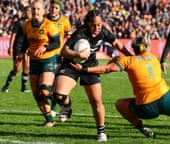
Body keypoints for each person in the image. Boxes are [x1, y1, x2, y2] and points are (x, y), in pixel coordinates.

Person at [70, 35, 170, 142]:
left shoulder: (128, 61)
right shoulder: (152, 56)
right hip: (166, 99)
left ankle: (142, 128)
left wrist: (83, 70)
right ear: (146, 46)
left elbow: (106, 69)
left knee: (119, 104)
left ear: (133, 48)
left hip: (146, 107)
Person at [52, 9, 132, 141]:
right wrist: (78, 54)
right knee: (58, 95)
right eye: (93, 25)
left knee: (96, 101)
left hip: (90, 67)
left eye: (99, 25)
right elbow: (64, 51)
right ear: (87, 24)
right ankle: (67, 106)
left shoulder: (104, 31)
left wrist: (131, 57)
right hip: (71, 66)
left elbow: (117, 44)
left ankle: (101, 131)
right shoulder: (80, 33)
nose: (97, 28)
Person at [18, 0, 60, 127]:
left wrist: (45, 48)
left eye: (38, 9)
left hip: (48, 60)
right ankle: (50, 120)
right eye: (33, 9)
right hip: (34, 61)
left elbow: (57, 43)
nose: (35, 11)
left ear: (43, 11)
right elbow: (26, 41)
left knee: (44, 91)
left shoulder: (49, 25)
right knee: (36, 94)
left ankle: (61, 98)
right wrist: (21, 52)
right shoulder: (26, 24)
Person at [47, 0, 72, 117]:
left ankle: (53, 108)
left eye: (56, 8)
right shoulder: (44, 20)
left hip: (58, 56)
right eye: (52, 7)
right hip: (45, 55)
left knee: (54, 83)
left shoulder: (65, 21)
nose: (53, 10)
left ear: (59, 9)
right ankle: (65, 104)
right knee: (46, 85)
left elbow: (70, 37)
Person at [1, 5, 32, 93]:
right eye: (27, 11)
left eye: (30, 11)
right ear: (24, 12)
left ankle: (23, 88)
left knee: (26, 67)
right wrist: (10, 47)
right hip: (18, 47)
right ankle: (6, 86)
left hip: (28, 48)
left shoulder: (33, 23)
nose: (29, 13)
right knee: (16, 68)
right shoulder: (19, 23)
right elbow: (13, 35)